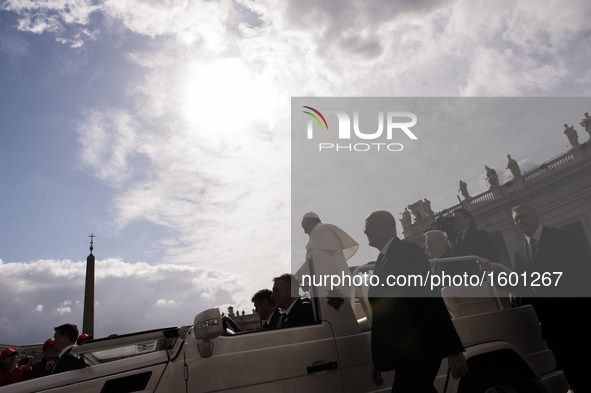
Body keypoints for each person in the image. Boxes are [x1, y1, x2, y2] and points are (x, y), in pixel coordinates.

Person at [364, 211, 467, 392]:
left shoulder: (406, 251)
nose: (366, 231)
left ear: (389, 226)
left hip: (421, 349)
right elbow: (384, 315)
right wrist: (378, 360)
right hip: (406, 353)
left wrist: (454, 350)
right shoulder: (382, 259)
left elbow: (428, 299)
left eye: (370, 225)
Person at [511, 205, 591, 392]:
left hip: (577, 313)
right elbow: (523, 286)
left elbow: (583, 271)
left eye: (523, 216)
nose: (520, 221)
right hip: (551, 320)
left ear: (536, 215)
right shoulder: (520, 253)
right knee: (569, 368)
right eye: (516, 220)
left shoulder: (563, 236)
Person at [297, 212, 358, 298]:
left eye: (304, 228)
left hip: (335, 284)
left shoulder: (321, 229)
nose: (305, 232)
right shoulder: (321, 230)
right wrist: (300, 281)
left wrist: (294, 278)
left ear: (309, 224)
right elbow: (316, 267)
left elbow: (313, 260)